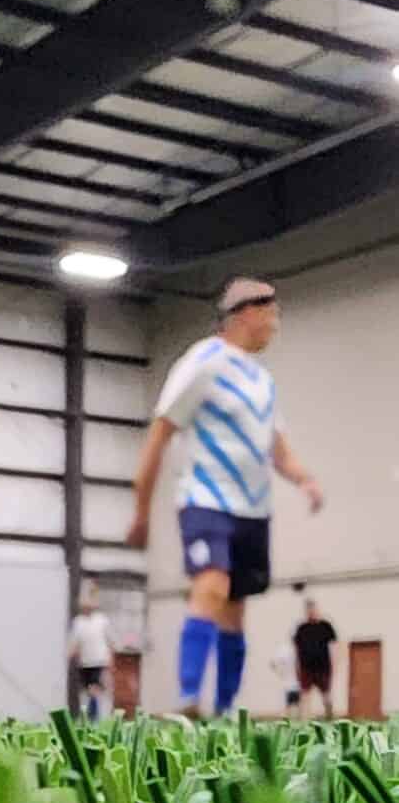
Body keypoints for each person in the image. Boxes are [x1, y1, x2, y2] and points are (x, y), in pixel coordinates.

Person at [126, 277, 323, 718]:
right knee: (211, 584)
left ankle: (227, 707)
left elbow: (279, 449)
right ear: (245, 313)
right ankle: (188, 697)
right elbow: (160, 433)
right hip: (206, 498)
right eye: (270, 314)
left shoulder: (263, 382)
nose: (275, 325)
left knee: (236, 608)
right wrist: (141, 508)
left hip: (253, 509)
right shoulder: (202, 362)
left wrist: (305, 480)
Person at [68, 585, 112, 722]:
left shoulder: (102, 620)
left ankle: (100, 717)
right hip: (85, 662)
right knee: (87, 692)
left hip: (99, 661)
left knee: (96, 689)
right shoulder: (78, 623)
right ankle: (88, 718)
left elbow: (111, 640)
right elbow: (73, 643)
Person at [294, 596, 337, 720]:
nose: (311, 611)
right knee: (305, 695)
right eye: (308, 609)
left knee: (326, 695)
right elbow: (296, 649)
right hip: (306, 667)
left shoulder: (325, 626)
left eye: (313, 609)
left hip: (323, 666)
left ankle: (329, 717)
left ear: (317, 609)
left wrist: (335, 664)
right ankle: (304, 720)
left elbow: (334, 646)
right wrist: (297, 667)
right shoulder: (301, 628)